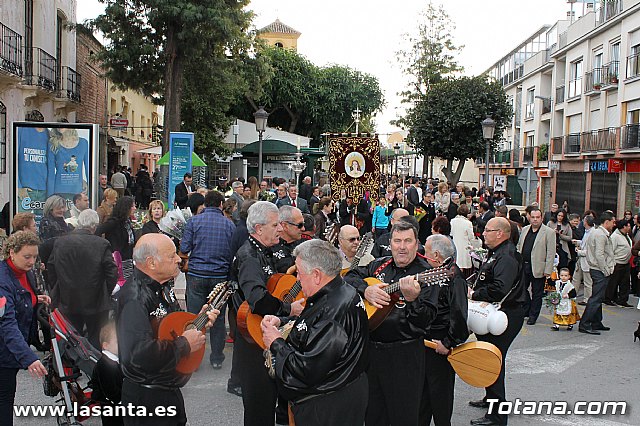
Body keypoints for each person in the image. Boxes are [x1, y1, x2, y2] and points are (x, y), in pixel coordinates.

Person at [261, 239, 369, 426]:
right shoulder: (338, 291)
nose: (297, 279)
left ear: (317, 275)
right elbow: (312, 324)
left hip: (326, 406)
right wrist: (283, 321)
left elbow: (305, 369)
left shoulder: (333, 312)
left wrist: (276, 342)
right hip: (337, 396)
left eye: (300, 273)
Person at [116, 233, 218, 425]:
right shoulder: (135, 297)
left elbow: (169, 328)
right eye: (172, 256)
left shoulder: (161, 287)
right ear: (151, 263)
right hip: (147, 400)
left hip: (166, 389)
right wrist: (185, 343)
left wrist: (197, 322)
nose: (179, 259)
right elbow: (138, 354)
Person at [344, 220, 439, 425]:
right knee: (373, 414)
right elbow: (349, 277)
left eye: (407, 241)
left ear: (417, 244)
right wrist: (365, 289)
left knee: (403, 416)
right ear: (390, 243)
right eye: (397, 241)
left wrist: (413, 300)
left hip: (405, 355)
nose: (402, 247)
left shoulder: (427, 274)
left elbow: (424, 323)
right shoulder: (379, 264)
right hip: (371, 352)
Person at [230, 201, 305, 425]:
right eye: (275, 225)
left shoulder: (264, 251)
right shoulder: (250, 256)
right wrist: (288, 308)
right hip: (253, 340)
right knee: (259, 408)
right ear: (259, 228)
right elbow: (258, 300)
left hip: (263, 334)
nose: (280, 229)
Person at [468, 217, 525, 426]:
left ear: (500, 233)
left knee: (492, 362)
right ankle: (490, 398)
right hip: (496, 314)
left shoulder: (507, 257)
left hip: (505, 315)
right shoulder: (497, 253)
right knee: (488, 358)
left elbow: (500, 289)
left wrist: (474, 294)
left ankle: (497, 416)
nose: (483, 233)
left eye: (487, 230)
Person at [180, 190, 235, 370]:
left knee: (195, 316)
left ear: (205, 204)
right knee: (217, 318)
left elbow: (185, 247)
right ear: (220, 204)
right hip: (219, 276)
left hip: (197, 274)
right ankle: (217, 357)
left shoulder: (194, 221)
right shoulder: (229, 225)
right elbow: (232, 253)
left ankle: (194, 357)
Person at [0, 231, 51, 426]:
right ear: (12, 252)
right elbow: (6, 324)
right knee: (4, 400)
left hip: (13, 346)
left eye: (35, 257)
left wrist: (34, 299)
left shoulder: (23, 272)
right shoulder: (3, 281)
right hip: (4, 349)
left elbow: (20, 296)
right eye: (27, 256)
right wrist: (28, 358)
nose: (32, 262)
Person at [48, 210, 119, 348]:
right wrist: (106, 291)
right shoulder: (101, 244)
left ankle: (73, 366)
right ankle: (92, 366)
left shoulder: (60, 242)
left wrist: (58, 286)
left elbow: (51, 267)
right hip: (96, 299)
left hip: (68, 297)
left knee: (71, 336)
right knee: (96, 336)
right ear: (94, 226)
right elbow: (112, 272)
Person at [419, 234, 469, 426]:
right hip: (427, 341)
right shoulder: (434, 272)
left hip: (439, 343)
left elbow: (459, 315)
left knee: (440, 396)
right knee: (423, 396)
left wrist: (447, 343)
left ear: (437, 255)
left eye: (427, 251)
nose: (424, 255)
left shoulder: (454, 277)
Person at [517, 207, 556, 326]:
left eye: (537, 217)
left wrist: (548, 270)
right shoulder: (524, 229)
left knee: (537, 293)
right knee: (521, 289)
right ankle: (527, 309)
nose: (535, 220)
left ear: (541, 218)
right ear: (529, 217)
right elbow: (519, 246)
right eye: (533, 217)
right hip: (524, 265)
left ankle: (533, 315)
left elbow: (551, 253)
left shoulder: (549, 232)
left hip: (539, 267)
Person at [580, 210, 616, 335]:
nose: (614, 224)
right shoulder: (600, 234)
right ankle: (585, 323)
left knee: (598, 297)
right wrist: (606, 270)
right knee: (596, 298)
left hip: (596, 268)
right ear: (607, 222)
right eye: (612, 221)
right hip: (599, 270)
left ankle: (596, 322)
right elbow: (600, 255)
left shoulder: (596, 232)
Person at [90, 322, 124, 426]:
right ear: (106, 345)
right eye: (118, 342)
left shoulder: (114, 360)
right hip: (111, 407)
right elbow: (111, 391)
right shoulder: (105, 365)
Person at [96, 196, 137, 279]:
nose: (135, 208)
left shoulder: (127, 222)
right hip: (117, 261)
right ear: (126, 208)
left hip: (128, 261)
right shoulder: (114, 222)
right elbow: (98, 231)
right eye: (132, 206)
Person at [605, 219, 633, 307]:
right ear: (624, 227)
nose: (629, 227)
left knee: (625, 283)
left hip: (626, 262)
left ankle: (622, 299)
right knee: (613, 282)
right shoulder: (615, 236)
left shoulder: (626, 235)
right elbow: (611, 250)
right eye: (628, 226)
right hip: (617, 262)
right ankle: (608, 298)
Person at [272, 205, 305, 274]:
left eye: (303, 224)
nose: (303, 229)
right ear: (285, 226)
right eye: (300, 225)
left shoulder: (305, 245)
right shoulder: (270, 248)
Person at [574, 215, 594, 306]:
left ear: (586, 222)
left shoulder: (593, 233)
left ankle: (587, 299)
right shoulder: (586, 232)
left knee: (587, 282)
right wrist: (578, 242)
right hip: (580, 261)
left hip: (587, 261)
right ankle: (572, 296)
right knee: (575, 279)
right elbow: (584, 243)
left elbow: (591, 251)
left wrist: (579, 252)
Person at [450, 204, 475, 275]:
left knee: (456, 264)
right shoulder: (468, 223)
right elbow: (471, 237)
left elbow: (451, 233)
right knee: (462, 265)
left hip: (454, 245)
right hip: (464, 247)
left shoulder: (452, 221)